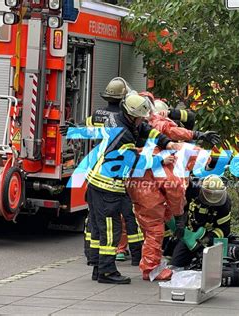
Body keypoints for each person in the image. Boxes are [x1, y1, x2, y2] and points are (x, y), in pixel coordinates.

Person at [63, 94, 178, 284]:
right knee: (111, 231)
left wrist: (167, 142)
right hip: (106, 187)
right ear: (132, 115)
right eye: (140, 117)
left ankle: (99, 268)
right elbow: (134, 161)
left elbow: (146, 129)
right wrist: (160, 159)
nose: (142, 120)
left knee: (100, 228)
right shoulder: (124, 134)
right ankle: (107, 272)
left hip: (95, 181)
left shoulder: (120, 118)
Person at [127, 98, 221, 281]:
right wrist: (179, 216)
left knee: (151, 228)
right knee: (155, 231)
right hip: (149, 196)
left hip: (138, 188)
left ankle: (151, 262)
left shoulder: (147, 146)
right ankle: (151, 269)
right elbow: (174, 190)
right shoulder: (172, 159)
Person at [83, 77, 143, 268]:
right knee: (117, 225)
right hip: (110, 181)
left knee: (95, 225)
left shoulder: (99, 114)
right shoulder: (124, 124)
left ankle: (95, 263)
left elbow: (88, 129)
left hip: (95, 173)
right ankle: (111, 268)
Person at [169, 174, 231, 268]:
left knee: (212, 267)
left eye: (217, 195)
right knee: (176, 264)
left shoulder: (225, 203)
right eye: (209, 194)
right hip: (190, 234)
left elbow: (224, 229)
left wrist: (207, 239)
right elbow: (178, 202)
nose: (213, 198)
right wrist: (180, 222)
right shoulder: (193, 190)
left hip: (209, 237)